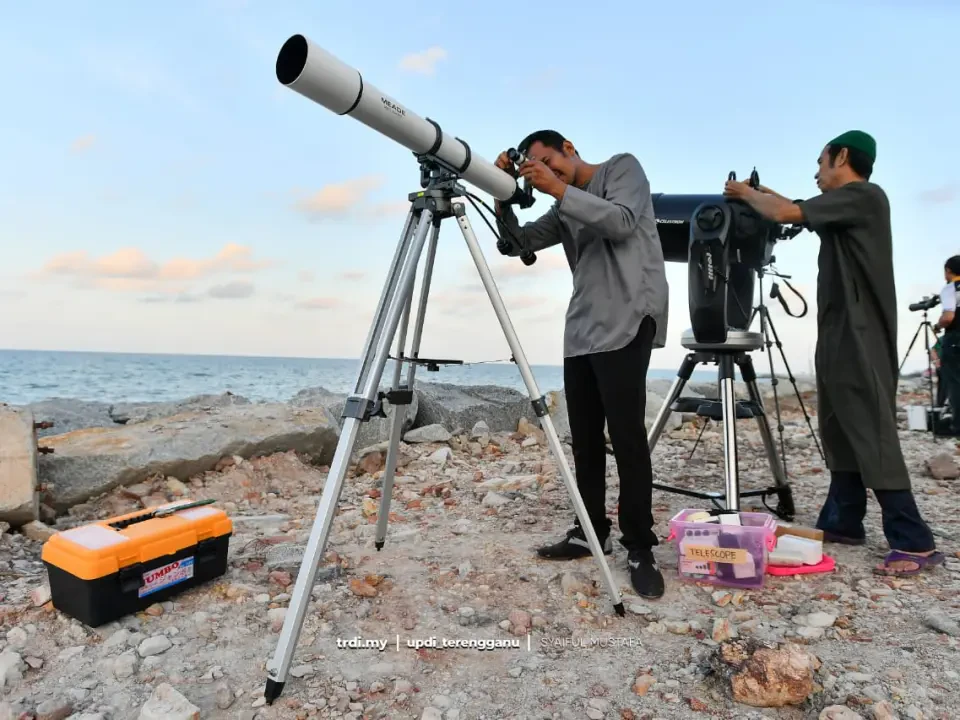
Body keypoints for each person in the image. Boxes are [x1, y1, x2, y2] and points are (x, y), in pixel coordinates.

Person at [722, 130, 944, 577]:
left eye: (821, 163)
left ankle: (913, 540)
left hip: (861, 334)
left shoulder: (865, 196)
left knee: (870, 427)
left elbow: (786, 212)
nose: (816, 173)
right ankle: (843, 521)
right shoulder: (842, 206)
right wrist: (759, 192)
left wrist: (742, 193)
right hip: (839, 331)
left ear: (842, 156)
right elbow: (794, 206)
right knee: (839, 426)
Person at [493, 130, 669, 598]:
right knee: (584, 439)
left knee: (627, 438)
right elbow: (517, 244)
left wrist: (555, 187)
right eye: (537, 168)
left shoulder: (622, 168)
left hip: (629, 318)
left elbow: (623, 222)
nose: (547, 173)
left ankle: (639, 544)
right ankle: (589, 531)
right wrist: (502, 196)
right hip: (583, 329)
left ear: (568, 148)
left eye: (549, 161)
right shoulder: (563, 204)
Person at [935, 256, 960, 435]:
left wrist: (938, 325)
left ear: (948, 270)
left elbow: (948, 316)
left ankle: (957, 426)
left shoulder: (951, 288)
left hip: (956, 338)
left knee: (955, 383)